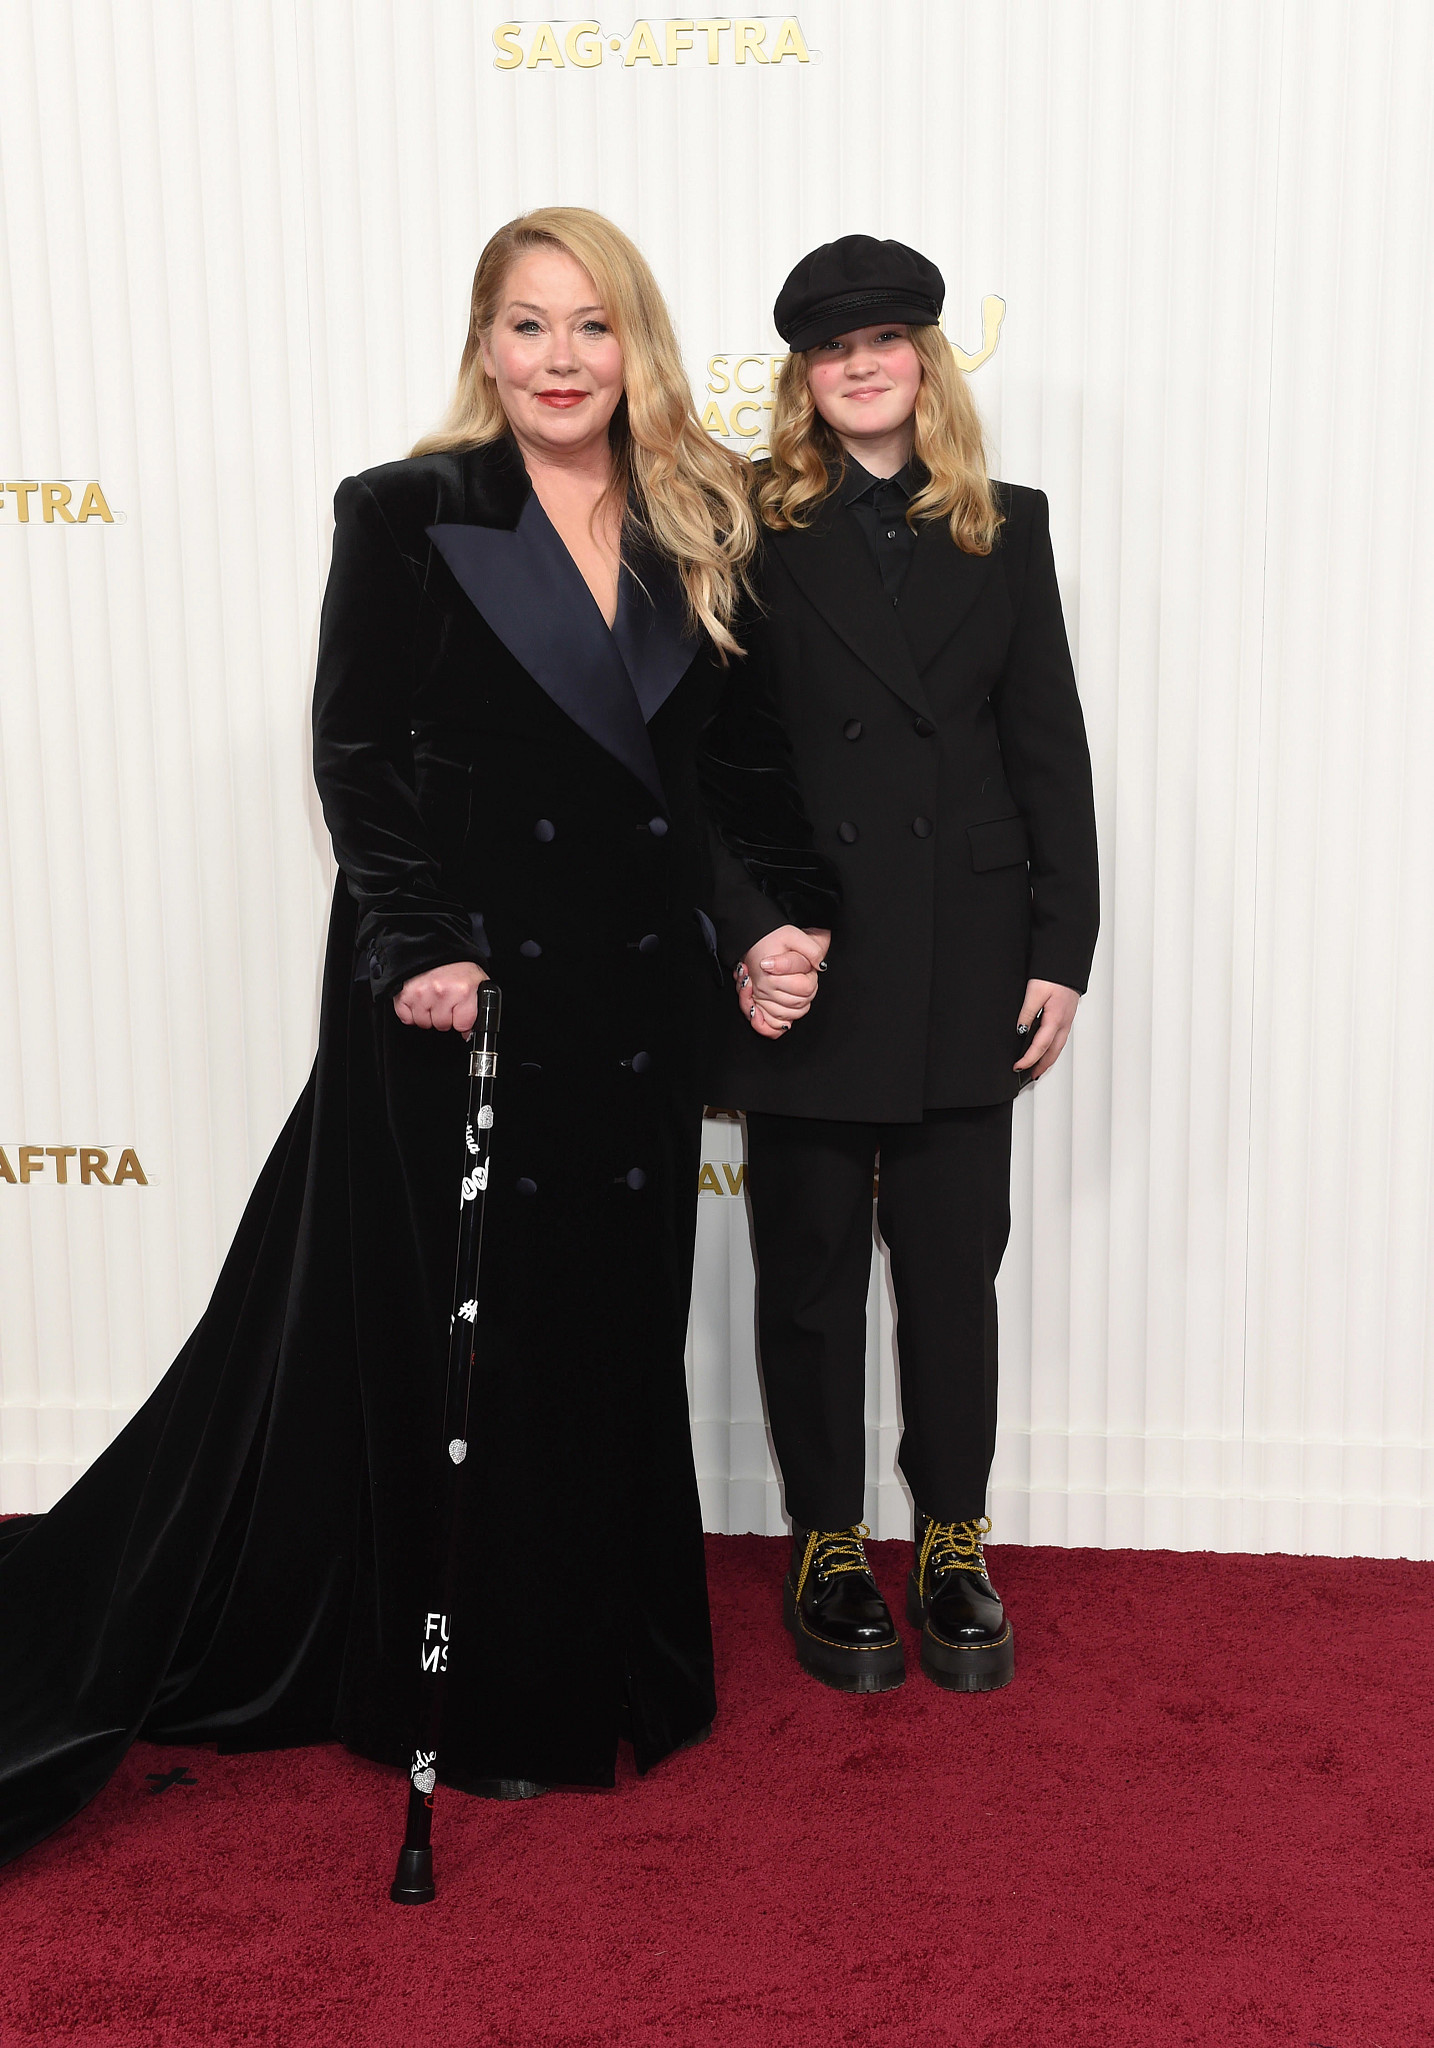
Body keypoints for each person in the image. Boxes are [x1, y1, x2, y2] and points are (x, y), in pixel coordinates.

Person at [0, 206, 835, 1865]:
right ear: (483, 343)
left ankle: (620, 1669)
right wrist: (419, 941)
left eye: (591, 325)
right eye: (528, 325)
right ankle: (486, 1696)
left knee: (610, 1327)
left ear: (636, 344)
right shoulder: (403, 511)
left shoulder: (707, 513)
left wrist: (779, 919)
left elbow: (729, 771)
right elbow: (360, 753)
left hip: (626, 1005)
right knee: (478, 1343)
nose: (560, 360)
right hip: (461, 998)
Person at [710, 235, 1099, 1696]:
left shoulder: (1007, 523)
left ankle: (950, 1536)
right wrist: (751, 927)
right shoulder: (742, 522)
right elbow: (717, 758)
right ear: (802, 378)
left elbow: (1045, 742)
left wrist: (1061, 942)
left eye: (884, 341)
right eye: (832, 348)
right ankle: (826, 1539)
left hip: (964, 944)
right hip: (812, 952)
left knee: (950, 1270)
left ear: (926, 360)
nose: (860, 365)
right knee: (809, 1271)